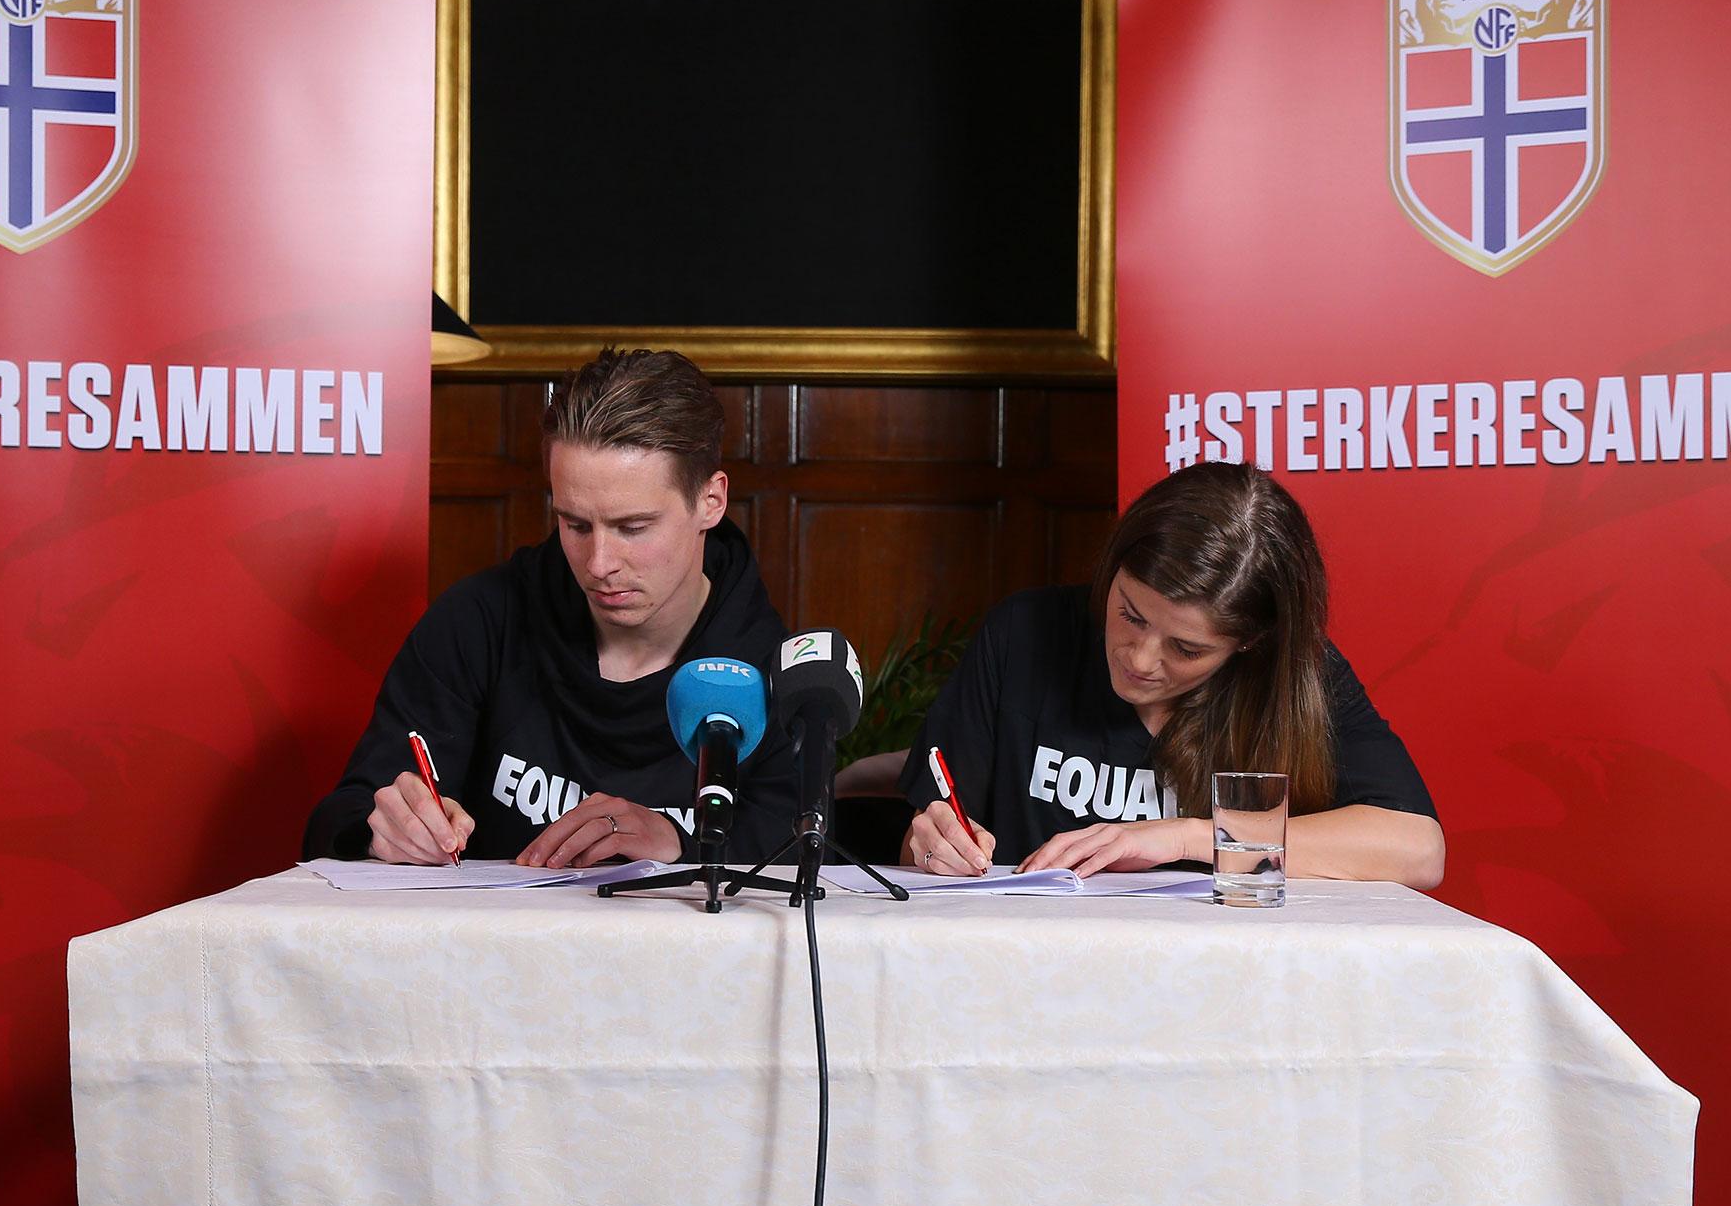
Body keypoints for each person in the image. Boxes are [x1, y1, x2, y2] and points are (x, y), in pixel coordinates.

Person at [304, 348, 798, 867]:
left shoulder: (774, 671)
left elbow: (806, 846)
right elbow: (344, 814)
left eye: (633, 528)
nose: (599, 563)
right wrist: (381, 829)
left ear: (710, 502)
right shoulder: (479, 622)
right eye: (576, 525)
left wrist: (679, 840)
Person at [899, 460, 1444, 887]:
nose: (1138, 659)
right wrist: (933, 846)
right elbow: (922, 839)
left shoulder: (1298, 675)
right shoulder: (1025, 633)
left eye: (1185, 648)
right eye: (1129, 615)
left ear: (1249, 643)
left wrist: (1188, 837)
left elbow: (1419, 850)